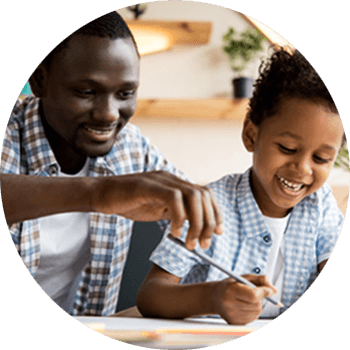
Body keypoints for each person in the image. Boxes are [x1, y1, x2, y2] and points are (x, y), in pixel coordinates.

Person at [0, 11, 224, 316]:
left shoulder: (131, 147)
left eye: (125, 94)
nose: (108, 113)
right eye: (86, 92)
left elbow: (196, 214)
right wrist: (100, 194)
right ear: (39, 80)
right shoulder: (10, 133)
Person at [136, 47, 346, 325]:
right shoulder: (208, 205)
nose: (303, 169)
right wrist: (213, 296)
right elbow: (151, 295)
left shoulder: (321, 206)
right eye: (288, 148)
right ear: (250, 135)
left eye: (321, 158)